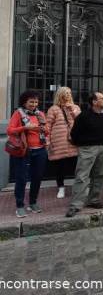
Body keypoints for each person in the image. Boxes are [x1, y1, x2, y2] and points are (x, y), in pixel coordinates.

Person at [66, 92, 103, 218]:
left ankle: (94, 200)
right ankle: (76, 205)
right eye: (102, 98)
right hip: (87, 148)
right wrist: (83, 145)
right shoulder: (84, 116)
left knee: (101, 175)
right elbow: (74, 133)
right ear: (94, 102)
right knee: (82, 176)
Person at [7, 90, 49, 218]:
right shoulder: (18, 114)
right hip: (24, 151)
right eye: (31, 101)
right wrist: (25, 128)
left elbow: (47, 132)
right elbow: (10, 130)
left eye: (36, 101)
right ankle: (20, 205)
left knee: (37, 177)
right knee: (21, 178)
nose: (34, 104)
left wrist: (44, 129)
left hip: (40, 150)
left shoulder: (40, 114)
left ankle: (33, 202)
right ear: (24, 102)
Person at [46, 87, 81, 199]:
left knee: (77, 166)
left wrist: (72, 111)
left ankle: (77, 187)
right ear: (60, 95)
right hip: (59, 141)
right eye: (65, 93)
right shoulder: (54, 109)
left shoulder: (75, 107)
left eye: (69, 93)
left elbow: (81, 122)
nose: (68, 95)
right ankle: (61, 188)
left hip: (73, 141)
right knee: (60, 167)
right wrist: (48, 140)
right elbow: (48, 126)